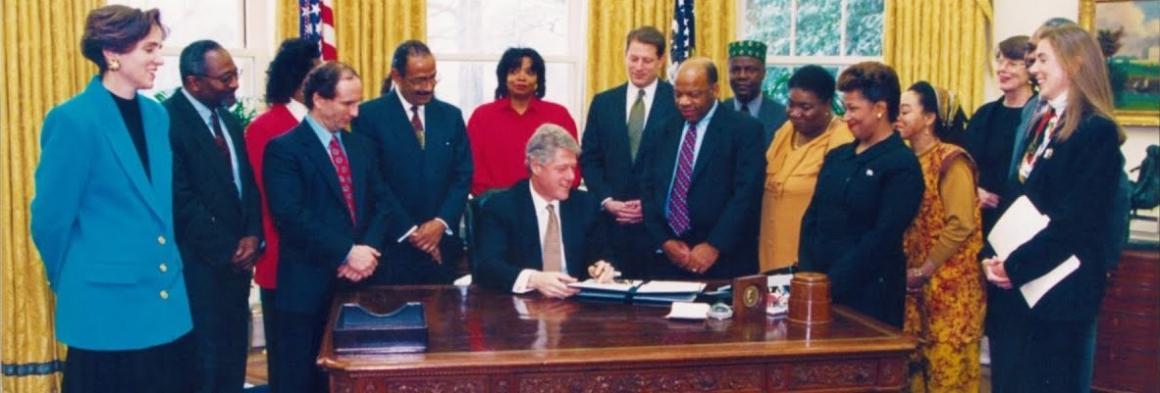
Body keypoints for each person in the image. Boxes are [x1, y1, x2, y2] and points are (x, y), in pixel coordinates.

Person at [30, 5, 194, 392]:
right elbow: (50, 221)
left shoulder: (156, 116)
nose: (159, 59)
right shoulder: (74, 119)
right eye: (149, 49)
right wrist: (78, 277)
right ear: (113, 54)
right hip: (105, 310)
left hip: (163, 301)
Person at [984, 21, 1126, 392]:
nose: (1033, 69)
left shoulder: (1097, 131)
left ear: (1075, 62)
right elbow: (1016, 198)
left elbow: (1077, 221)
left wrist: (1015, 266)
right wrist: (993, 255)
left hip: (1058, 295)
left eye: (1042, 59)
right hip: (1019, 288)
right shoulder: (1039, 121)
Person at [263, 62, 411, 393]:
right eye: (348, 104)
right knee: (303, 381)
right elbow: (291, 217)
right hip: (307, 289)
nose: (356, 112)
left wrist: (367, 251)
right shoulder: (284, 149)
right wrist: (347, 252)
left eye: (358, 102)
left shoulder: (360, 147)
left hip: (359, 287)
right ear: (319, 99)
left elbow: (382, 203)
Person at [798, 61, 924, 328]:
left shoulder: (902, 165)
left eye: (854, 109)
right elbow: (812, 218)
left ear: (880, 109)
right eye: (845, 108)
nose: (846, 117)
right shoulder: (837, 156)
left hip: (869, 297)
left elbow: (881, 238)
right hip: (817, 291)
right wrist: (810, 277)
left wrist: (832, 283)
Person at [165, 40, 260, 393]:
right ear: (194, 83)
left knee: (232, 359)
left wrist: (252, 235)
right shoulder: (167, 122)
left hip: (237, 267)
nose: (235, 83)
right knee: (201, 365)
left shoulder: (230, 121)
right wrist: (227, 250)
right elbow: (180, 199)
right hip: (197, 269)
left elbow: (247, 185)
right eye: (226, 78)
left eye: (235, 74)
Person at [352, 40, 472, 285]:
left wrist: (440, 223)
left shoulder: (451, 116)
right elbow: (374, 182)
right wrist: (413, 233)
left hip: (443, 246)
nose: (427, 87)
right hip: (392, 247)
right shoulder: (369, 116)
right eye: (418, 80)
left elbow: (463, 175)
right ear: (396, 76)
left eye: (432, 78)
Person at [895, 81, 985, 392]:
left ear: (929, 117)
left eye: (906, 110)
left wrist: (926, 269)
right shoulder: (905, 160)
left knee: (949, 375)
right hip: (917, 288)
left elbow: (961, 224)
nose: (898, 117)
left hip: (951, 288)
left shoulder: (952, 160)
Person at [641, 57, 764, 280]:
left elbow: (747, 195)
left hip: (722, 260)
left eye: (694, 94)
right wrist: (665, 241)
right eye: (678, 94)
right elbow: (648, 190)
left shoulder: (745, 130)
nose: (684, 102)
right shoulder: (661, 130)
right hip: (667, 259)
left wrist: (714, 245)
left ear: (714, 90)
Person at [243, 37, 320, 392]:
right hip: (283, 263)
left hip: (326, 263)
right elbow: (268, 201)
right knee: (290, 363)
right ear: (299, 79)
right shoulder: (264, 128)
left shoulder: (328, 124)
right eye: (317, 72)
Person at [474, 124, 616, 298]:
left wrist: (601, 268)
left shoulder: (586, 205)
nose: (571, 176)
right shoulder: (501, 207)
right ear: (536, 166)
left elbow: (600, 255)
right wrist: (534, 279)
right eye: (562, 169)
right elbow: (487, 266)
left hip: (576, 308)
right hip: (519, 307)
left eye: (573, 167)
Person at [579, 26, 677, 278]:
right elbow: (590, 159)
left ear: (661, 60)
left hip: (660, 230)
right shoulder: (603, 102)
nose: (639, 66)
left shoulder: (677, 102)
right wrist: (607, 201)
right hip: (611, 227)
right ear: (624, 56)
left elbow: (680, 165)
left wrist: (651, 206)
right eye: (633, 59)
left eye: (647, 60)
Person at [757, 65, 853, 273]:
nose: (795, 113)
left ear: (827, 104)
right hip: (769, 253)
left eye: (806, 107)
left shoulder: (842, 139)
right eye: (790, 104)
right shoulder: (786, 130)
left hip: (809, 260)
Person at [468, 47, 579, 195]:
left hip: (547, 203)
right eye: (514, 72)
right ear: (503, 77)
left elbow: (573, 165)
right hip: (492, 204)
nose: (521, 77)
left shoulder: (558, 115)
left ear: (538, 79)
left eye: (529, 72)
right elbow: (471, 167)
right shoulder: (482, 116)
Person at [965, 35, 1037, 257]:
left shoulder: (1040, 117)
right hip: (979, 222)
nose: (1002, 69)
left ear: (1031, 71)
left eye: (1013, 64)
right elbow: (961, 165)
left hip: (1022, 225)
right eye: (1000, 61)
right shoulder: (984, 115)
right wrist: (974, 192)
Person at [723, 40, 787, 148]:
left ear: (763, 73)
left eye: (750, 70)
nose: (742, 76)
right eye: (735, 70)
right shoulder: (718, 113)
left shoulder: (782, 117)